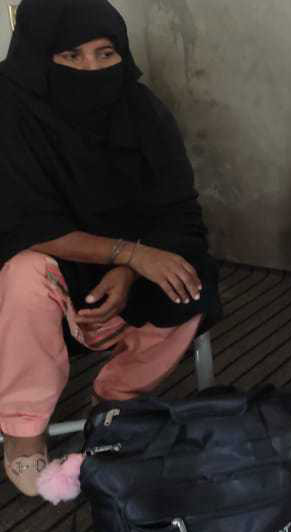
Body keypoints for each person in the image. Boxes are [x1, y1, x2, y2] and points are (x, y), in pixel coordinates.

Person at [0, 0, 220, 497]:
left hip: (122, 261)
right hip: (41, 265)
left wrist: (131, 268)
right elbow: (23, 224)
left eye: (106, 54)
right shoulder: (10, 108)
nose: (92, 69)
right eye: (71, 56)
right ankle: (23, 431)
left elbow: (178, 209)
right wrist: (131, 256)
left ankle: (117, 400)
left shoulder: (140, 109)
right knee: (23, 273)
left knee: (188, 277)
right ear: (39, 56)